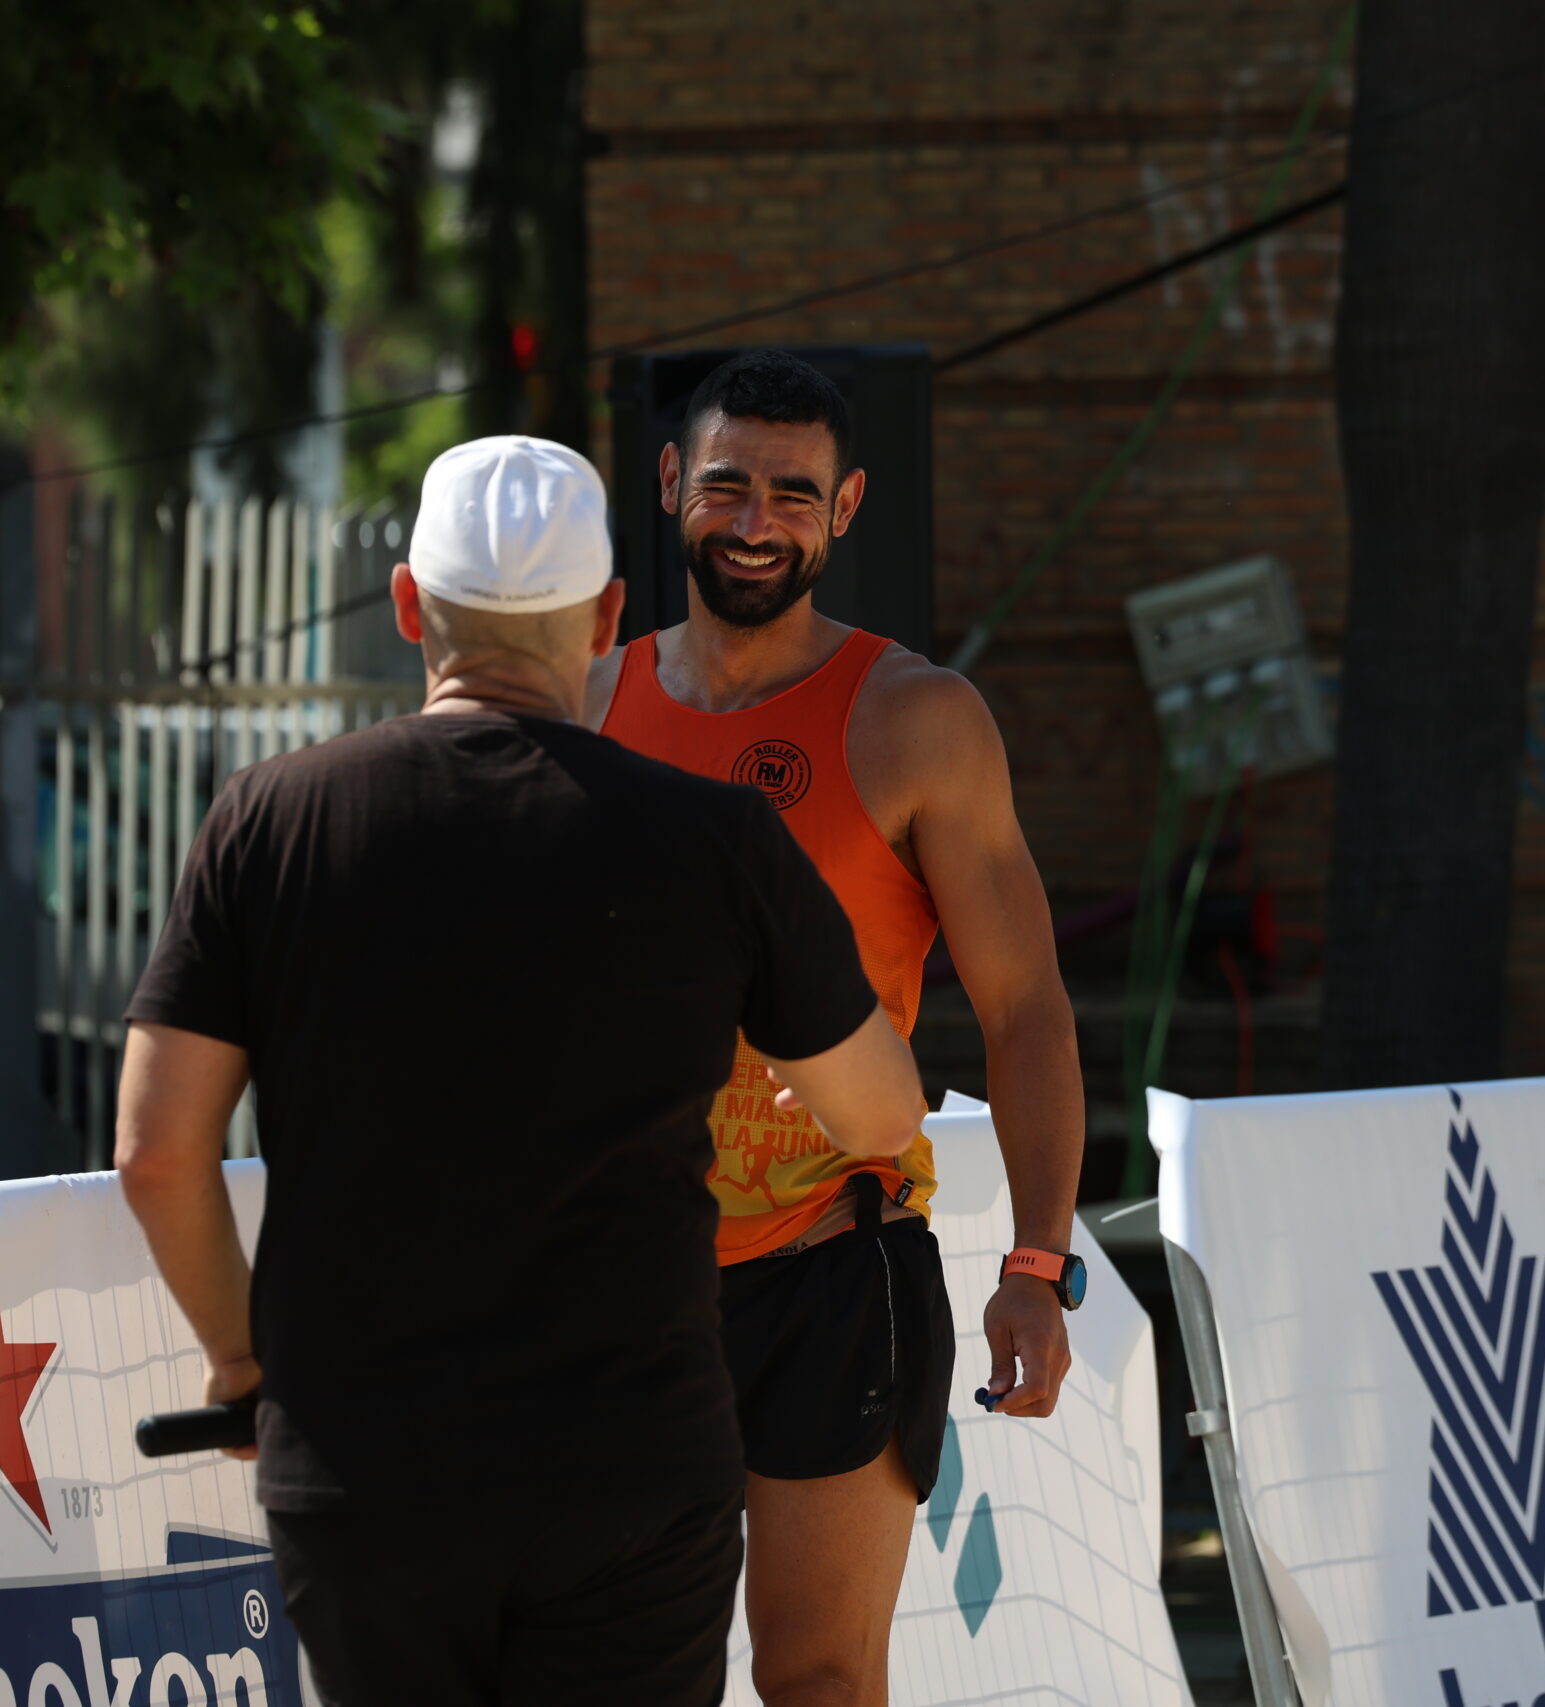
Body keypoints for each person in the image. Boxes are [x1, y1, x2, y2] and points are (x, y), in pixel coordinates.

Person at [114, 434, 928, 1706]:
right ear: (605, 619)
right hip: (630, 1461)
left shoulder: (266, 818)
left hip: (366, 1461)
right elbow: (881, 1113)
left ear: (406, 605)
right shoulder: (716, 838)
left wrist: (240, 1364)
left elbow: (158, 1153)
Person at [587, 350, 1089, 1706]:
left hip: (830, 1264)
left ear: (847, 507)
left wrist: (1037, 1260)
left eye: (794, 493)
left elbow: (1026, 1006)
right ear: (669, 482)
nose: (756, 521)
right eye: (728, 483)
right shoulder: (583, 702)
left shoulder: (919, 720)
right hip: (624, 1278)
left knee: (816, 1675)